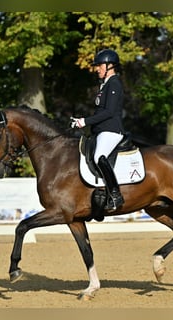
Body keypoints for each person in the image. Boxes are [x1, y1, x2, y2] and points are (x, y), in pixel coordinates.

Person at [71, 49, 125, 211]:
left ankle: (115, 194)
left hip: (112, 130)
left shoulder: (114, 83)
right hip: (101, 130)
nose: (97, 69)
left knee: (99, 156)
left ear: (110, 66)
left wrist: (85, 121)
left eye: (100, 66)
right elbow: (100, 112)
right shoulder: (105, 85)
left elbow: (109, 112)